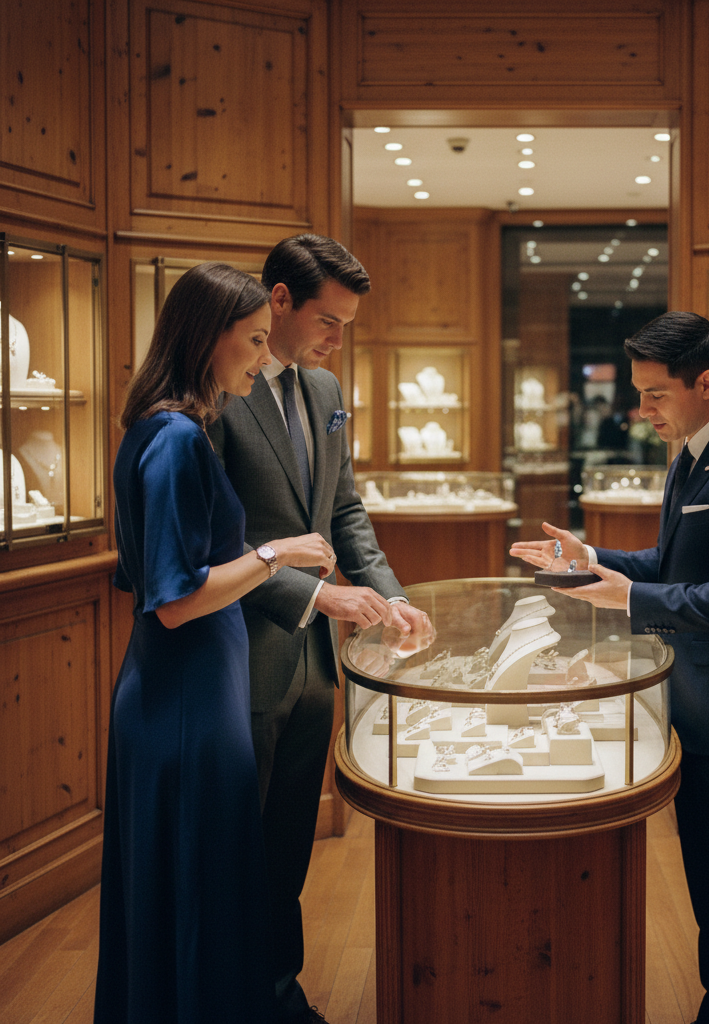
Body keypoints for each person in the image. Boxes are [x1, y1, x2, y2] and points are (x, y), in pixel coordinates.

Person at [511, 311, 709, 1024]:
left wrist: (632, 597)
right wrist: (592, 563)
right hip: (698, 708)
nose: (640, 410)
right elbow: (673, 565)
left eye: (654, 395)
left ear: (705, 383)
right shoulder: (693, 451)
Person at [95, 263, 337, 1024]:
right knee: (201, 895)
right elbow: (172, 601)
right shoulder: (172, 438)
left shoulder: (174, 430)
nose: (264, 358)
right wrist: (278, 553)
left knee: (199, 893)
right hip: (186, 703)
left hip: (198, 692)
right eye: (255, 340)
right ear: (210, 337)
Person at [209, 234, 434, 1024]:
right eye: (328, 321)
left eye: (347, 324)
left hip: (314, 668)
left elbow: (344, 510)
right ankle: (233, 996)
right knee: (235, 851)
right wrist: (316, 597)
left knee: (288, 847)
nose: (338, 339)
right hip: (242, 657)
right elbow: (210, 542)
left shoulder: (327, 386)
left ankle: (278, 991)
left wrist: (389, 596)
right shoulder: (217, 392)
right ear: (278, 301)